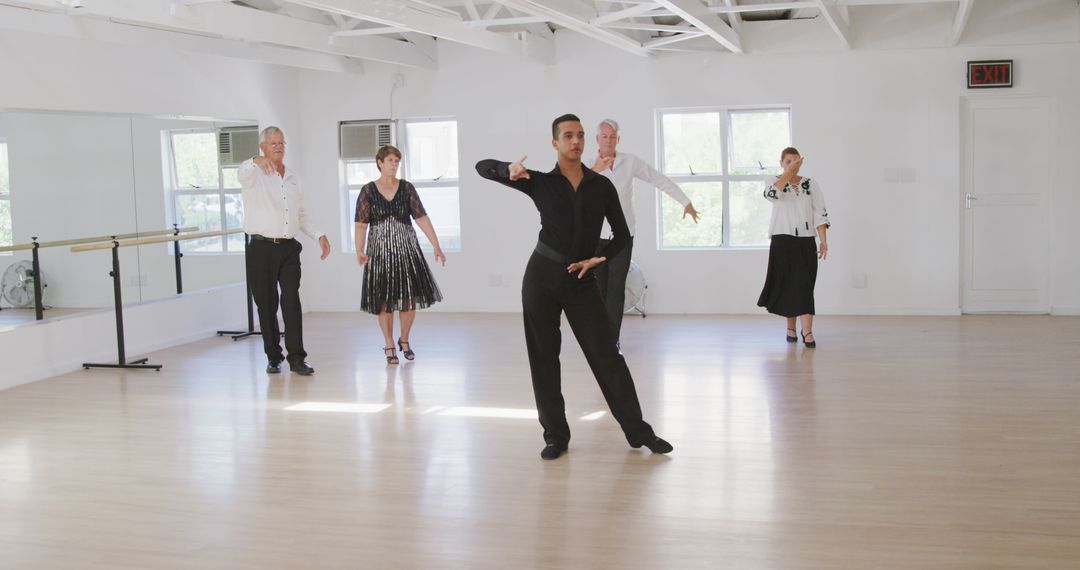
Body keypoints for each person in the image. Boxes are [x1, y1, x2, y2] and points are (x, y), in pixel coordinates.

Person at [476, 113, 673, 460]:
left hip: (581, 280)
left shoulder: (601, 186)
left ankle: (639, 432)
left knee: (607, 354)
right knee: (544, 358)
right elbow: (481, 167)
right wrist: (506, 168)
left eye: (580, 135)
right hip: (541, 279)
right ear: (555, 143)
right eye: (568, 136)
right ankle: (555, 436)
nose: (576, 141)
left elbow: (622, 235)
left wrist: (600, 259)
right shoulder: (539, 182)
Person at [591, 118, 700, 344]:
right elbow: (575, 191)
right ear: (597, 139)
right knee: (600, 290)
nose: (609, 140)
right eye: (604, 136)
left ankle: (612, 340)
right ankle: (600, 337)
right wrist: (595, 170)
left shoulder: (630, 162)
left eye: (612, 136)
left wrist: (685, 201)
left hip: (622, 236)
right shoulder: (587, 166)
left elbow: (657, 178)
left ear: (618, 139)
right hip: (596, 237)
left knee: (616, 288)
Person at [239, 126, 330, 375]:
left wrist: (318, 234)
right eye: (272, 143)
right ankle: (273, 356)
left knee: (291, 300)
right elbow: (242, 172)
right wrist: (255, 161)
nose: (278, 147)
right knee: (266, 304)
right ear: (263, 147)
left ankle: (297, 358)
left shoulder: (292, 177)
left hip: (289, 249)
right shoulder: (253, 173)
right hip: (260, 249)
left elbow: (299, 214)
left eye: (281, 143)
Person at [355, 145, 445, 364]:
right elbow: (361, 224)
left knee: (409, 300)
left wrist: (436, 244)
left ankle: (404, 339)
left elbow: (421, 217)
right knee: (384, 301)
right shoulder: (368, 190)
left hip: (407, 250)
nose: (394, 165)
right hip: (379, 253)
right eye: (390, 161)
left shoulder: (406, 188)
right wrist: (359, 249)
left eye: (397, 161)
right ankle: (389, 343)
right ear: (379, 163)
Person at [757, 147, 830, 348]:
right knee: (788, 285)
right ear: (781, 162)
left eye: (796, 160)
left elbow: (820, 213)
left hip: (806, 240)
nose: (793, 164)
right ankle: (790, 328)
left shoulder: (810, 184)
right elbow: (772, 195)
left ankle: (807, 331)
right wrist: (788, 173)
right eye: (788, 161)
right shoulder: (772, 181)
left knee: (805, 285)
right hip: (782, 240)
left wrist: (823, 240)